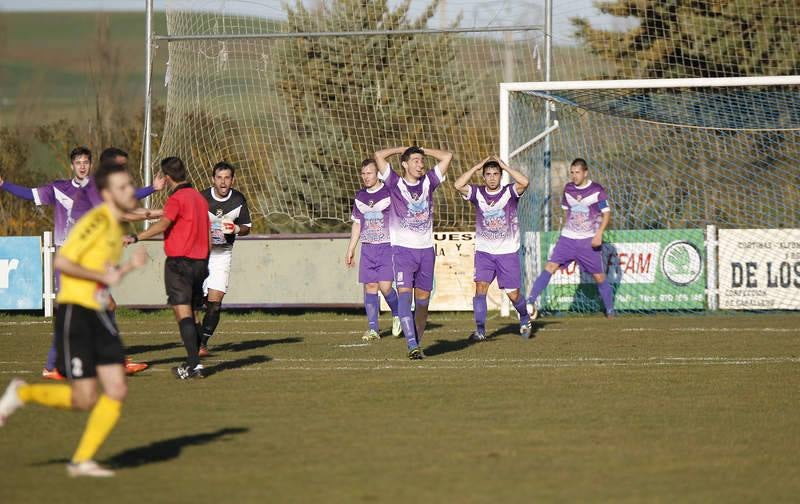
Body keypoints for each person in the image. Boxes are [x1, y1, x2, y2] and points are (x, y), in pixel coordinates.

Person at [0, 160, 148, 477]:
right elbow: (64, 262)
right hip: (77, 311)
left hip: (97, 311)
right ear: (108, 193)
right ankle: (22, 393)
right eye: (124, 188)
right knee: (84, 398)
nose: (130, 192)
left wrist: (127, 268)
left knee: (117, 389)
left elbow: (106, 270)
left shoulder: (113, 223)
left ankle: (82, 461)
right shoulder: (96, 222)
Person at [0, 146, 163, 379]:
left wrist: (152, 189)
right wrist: (4, 184)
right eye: (78, 162)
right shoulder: (58, 188)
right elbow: (30, 194)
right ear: (72, 165)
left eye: (86, 162)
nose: (83, 166)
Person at [128, 157, 210, 379]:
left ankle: (194, 366)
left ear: (166, 177)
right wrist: (206, 261)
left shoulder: (177, 198)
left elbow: (164, 223)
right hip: (201, 262)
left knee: (182, 314)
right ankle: (194, 360)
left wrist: (136, 237)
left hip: (180, 264)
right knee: (192, 313)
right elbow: (208, 233)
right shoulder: (200, 199)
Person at [373, 146, 452, 360]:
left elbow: (447, 157)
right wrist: (402, 149)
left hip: (426, 251)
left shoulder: (429, 182)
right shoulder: (395, 183)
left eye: (421, 160)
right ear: (405, 164)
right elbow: (379, 156)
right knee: (405, 298)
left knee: (423, 303)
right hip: (403, 251)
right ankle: (411, 346)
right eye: (415, 160)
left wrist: (423, 150)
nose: (420, 164)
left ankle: (416, 342)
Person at [453, 155, 532, 340]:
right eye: (488, 174)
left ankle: (524, 317)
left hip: (507, 252)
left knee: (513, 295)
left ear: (501, 175)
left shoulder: (510, 192)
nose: (492, 177)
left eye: (496, 174)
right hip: (484, 252)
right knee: (480, 287)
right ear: (483, 176)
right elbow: (458, 185)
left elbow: (525, 182)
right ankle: (480, 330)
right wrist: (477, 165)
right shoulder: (477, 193)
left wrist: (505, 166)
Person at [526, 158, 615, 320]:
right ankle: (530, 302)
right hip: (567, 239)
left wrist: (599, 233)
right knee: (550, 266)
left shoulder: (597, 190)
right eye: (572, 172)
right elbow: (566, 211)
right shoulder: (568, 189)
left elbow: (606, 213)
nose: (574, 176)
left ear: (585, 173)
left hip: (588, 241)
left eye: (577, 172)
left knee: (599, 277)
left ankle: (610, 311)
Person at [198, 161, 252, 356]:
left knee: (215, 303)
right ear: (213, 179)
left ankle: (202, 343)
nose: (223, 182)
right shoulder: (201, 198)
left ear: (232, 180)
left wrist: (236, 229)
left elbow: (246, 227)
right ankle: (196, 336)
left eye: (227, 178)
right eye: (219, 177)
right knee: (196, 302)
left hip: (222, 255)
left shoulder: (238, 200)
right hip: (199, 255)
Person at [345, 159, 402, 341]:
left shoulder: (389, 192)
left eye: (369, 173)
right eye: (363, 173)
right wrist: (351, 249)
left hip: (386, 246)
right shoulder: (360, 196)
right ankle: (373, 329)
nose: (366, 177)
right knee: (370, 286)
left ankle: (398, 314)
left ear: (377, 173)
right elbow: (357, 224)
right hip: (368, 248)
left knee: (385, 287)